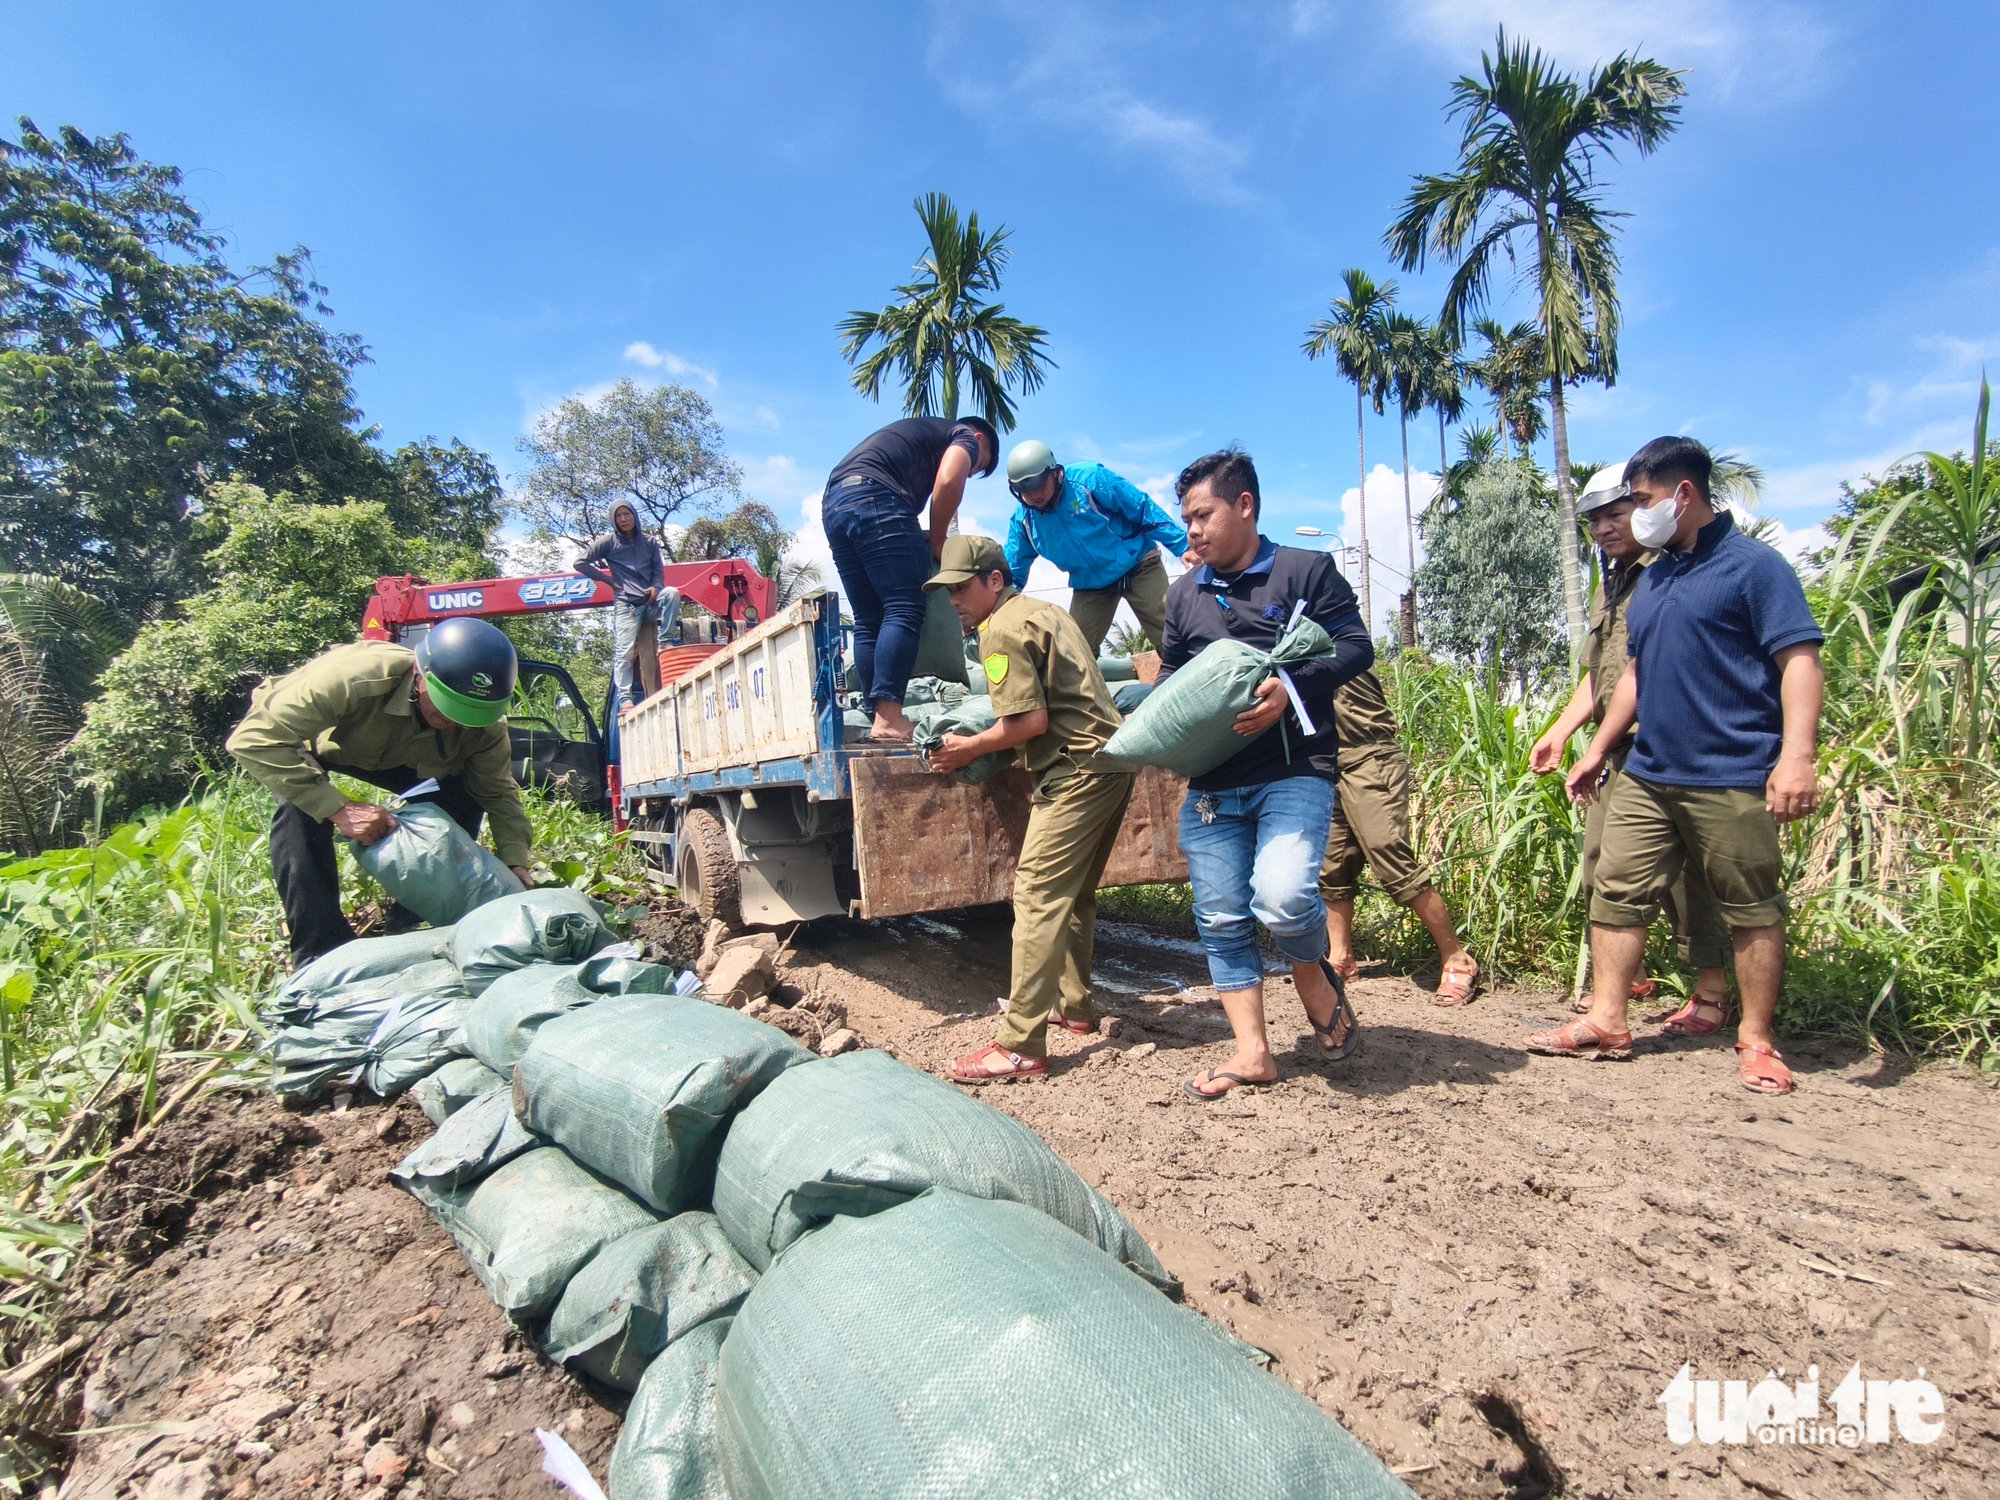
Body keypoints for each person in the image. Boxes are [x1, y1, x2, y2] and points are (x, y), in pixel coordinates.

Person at [1531, 437, 1824, 1096]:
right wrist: (1598, 746)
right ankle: (1608, 1020)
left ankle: (1755, 1038)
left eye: (1641, 500)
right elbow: (1635, 670)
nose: (1632, 515)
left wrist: (1797, 758)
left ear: (1683, 494)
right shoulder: (1658, 575)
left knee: (1751, 907)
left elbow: (1799, 660)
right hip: (1650, 770)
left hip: (1731, 771)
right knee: (1616, 888)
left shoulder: (1756, 569)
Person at [1158, 448, 1376, 1101]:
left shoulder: (1304, 570)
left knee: (1283, 899)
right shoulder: (1182, 596)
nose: (1192, 530)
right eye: (1187, 519)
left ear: (1245, 505)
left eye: (1203, 515)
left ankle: (1310, 970)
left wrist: (1289, 685)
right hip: (1213, 786)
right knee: (1221, 916)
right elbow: (1172, 677)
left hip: (1292, 769)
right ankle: (1254, 1053)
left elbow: (1355, 645)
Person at [923, 536, 1136, 1083]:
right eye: (947, 591)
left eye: (961, 588)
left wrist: (966, 748)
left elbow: (1028, 724)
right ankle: (1076, 1007)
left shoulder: (1001, 631)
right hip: (1112, 763)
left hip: (1075, 771)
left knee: (1037, 894)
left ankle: (1020, 1043)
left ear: (995, 580)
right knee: (1076, 894)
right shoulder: (1044, 613)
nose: (954, 601)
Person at [1528, 462, 1732, 1028]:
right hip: (1617, 747)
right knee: (1601, 866)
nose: (1604, 529)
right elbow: (1599, 677)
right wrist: (1562, 731)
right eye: (1594, 521)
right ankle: (1622, 982)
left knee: (1689, 878)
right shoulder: (1611, 584)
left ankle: (1712, 991)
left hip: (1669, 740)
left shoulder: (1666, 572)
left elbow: (1652, 673)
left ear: (1642, 511)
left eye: (1615, 515)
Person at [227, 617, 534, 967]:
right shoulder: (355, 675)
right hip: (326, 746)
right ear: (421, 674)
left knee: (465, 798)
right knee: (299, 813)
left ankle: (411, 919)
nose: (454, 721)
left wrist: (515, 862)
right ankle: (319, 948)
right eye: (445, 705)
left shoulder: (484, 727)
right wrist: (338, 808)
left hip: (411, 760)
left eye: (468, 714)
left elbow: (498, 794)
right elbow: (253, 738)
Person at [822, 415, 999, 742]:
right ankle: (889, 718)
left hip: (835, 501)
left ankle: (878, 716)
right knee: (904, 607)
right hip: (877, 496)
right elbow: (948, 481)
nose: (971, 469)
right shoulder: (965, 436)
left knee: (869, 619)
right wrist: (938, 540)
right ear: (979, 438)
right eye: (977, 466)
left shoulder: (920, 433)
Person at [1318, 669, 1480, 1003]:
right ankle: (1341, 958)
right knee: (1332, 864)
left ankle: (1457, 959)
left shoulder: (1324, 626)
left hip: (1369, 756)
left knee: (1389, 853)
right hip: (1325, 763)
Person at [1001, 440, 1191, 655]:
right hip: (1090, 585)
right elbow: (1012, 574)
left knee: (1172, 635)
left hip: (1138, 564)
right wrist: (998, 610)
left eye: (1039, 486)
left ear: (1054, 472)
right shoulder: (1023, 521)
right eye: (1025, 491)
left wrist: (1182, 546)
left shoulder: (1090, 479)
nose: (1034, 495)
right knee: (1073, 653)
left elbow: (1141, 508)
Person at [575, 499, 670, 712]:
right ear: (613, 520)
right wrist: (607, 580)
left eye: (626, 514)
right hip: (626, 605)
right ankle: (625, 699)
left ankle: (666, 641)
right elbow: (580, 562)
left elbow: (659, 571)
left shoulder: (650, 542)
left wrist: (656, 587)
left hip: (651, 603)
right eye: (618, 516)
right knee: (624, 651)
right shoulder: (608, 543)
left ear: (634, 515)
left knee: (672, 594)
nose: (623, 519)